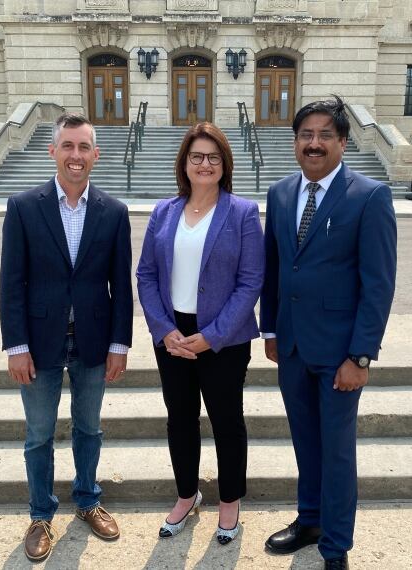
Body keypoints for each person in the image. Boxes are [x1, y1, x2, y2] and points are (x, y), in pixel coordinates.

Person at [260, 97, 397, 569]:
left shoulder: (369, 196)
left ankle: (336, 546)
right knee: (305, 441)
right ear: (295, 141)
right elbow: (275, 268)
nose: (313, 143)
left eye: (324, 135)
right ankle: (310, 520)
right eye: (305, 135)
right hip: (293, 346)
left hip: (340, 352)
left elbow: (378, 285)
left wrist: (360, 356)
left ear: (343, 141)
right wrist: (270, 331)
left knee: (337, 452)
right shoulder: (279, 194)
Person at [0, 113, 133, 562]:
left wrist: (120, 344)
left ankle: (89, 500)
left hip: (94, 342)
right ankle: (40, 514)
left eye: (84, 148)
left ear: (96, 154)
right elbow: (11, 283)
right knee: (39, 434)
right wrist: (16, 346)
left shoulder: (113, 213)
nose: (76, 156)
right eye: (68, 147)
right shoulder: (23, 206)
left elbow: (120, 286)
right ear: (53, 151)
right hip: (38, 344)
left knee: (88, 428)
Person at [136, 122, 264, 545]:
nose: (204, 163)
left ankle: (230, 501)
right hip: (173, 334)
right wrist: (163, 329)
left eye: (212, 156)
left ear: (224, 163)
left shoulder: (242, 212)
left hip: (223, 337)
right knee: (181, 420)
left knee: (227, 421)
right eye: (197, 157)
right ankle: (187, 495)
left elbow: (251, 282)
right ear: (185, 164)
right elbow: (147, 275)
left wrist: (213, 335)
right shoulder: (164, 212)